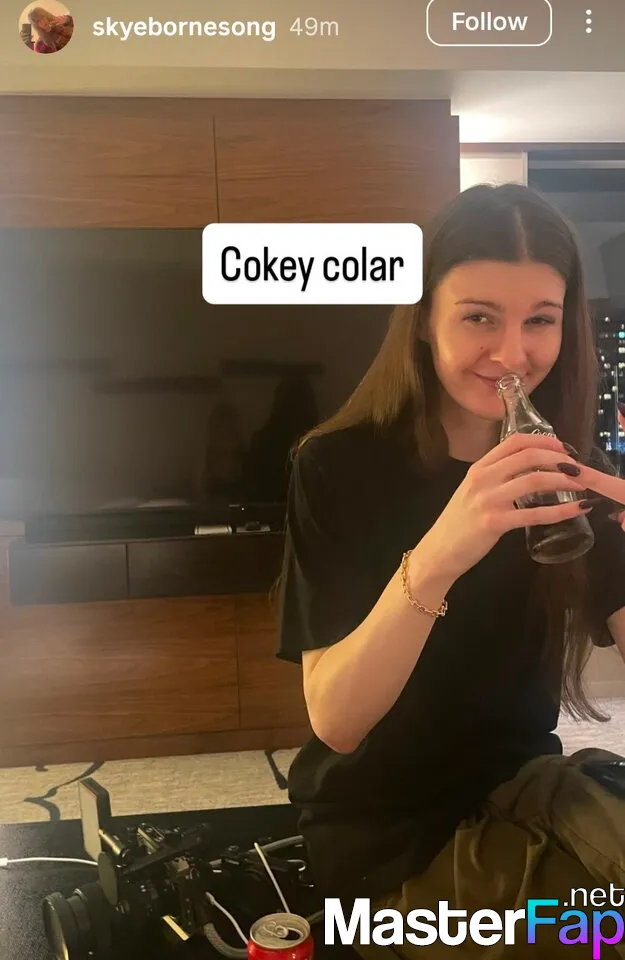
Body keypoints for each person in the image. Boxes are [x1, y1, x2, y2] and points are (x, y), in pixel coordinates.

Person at [276, 183, 625, 958]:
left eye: (539, 320)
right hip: (387, 832)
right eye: (478, 317)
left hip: (528, 784)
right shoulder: (336, 466)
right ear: (422, 319)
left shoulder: (568, 469)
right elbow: (336, 721)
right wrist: (443, 549)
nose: (512, 355)